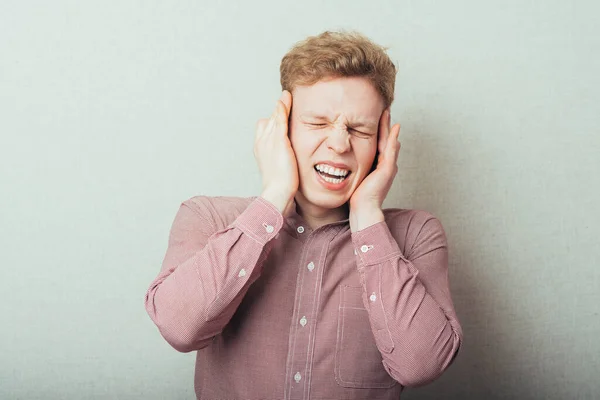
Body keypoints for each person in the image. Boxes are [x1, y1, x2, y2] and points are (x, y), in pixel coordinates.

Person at [144, 30, 463, 400]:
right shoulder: (207, 217)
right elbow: (180, 330)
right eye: (317, 123)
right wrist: (275, 195)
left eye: (360, 129)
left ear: (380, 144)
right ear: (283, 129)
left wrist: (367, 218)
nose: (340, 144)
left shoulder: (416, 235)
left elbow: (421, 366)